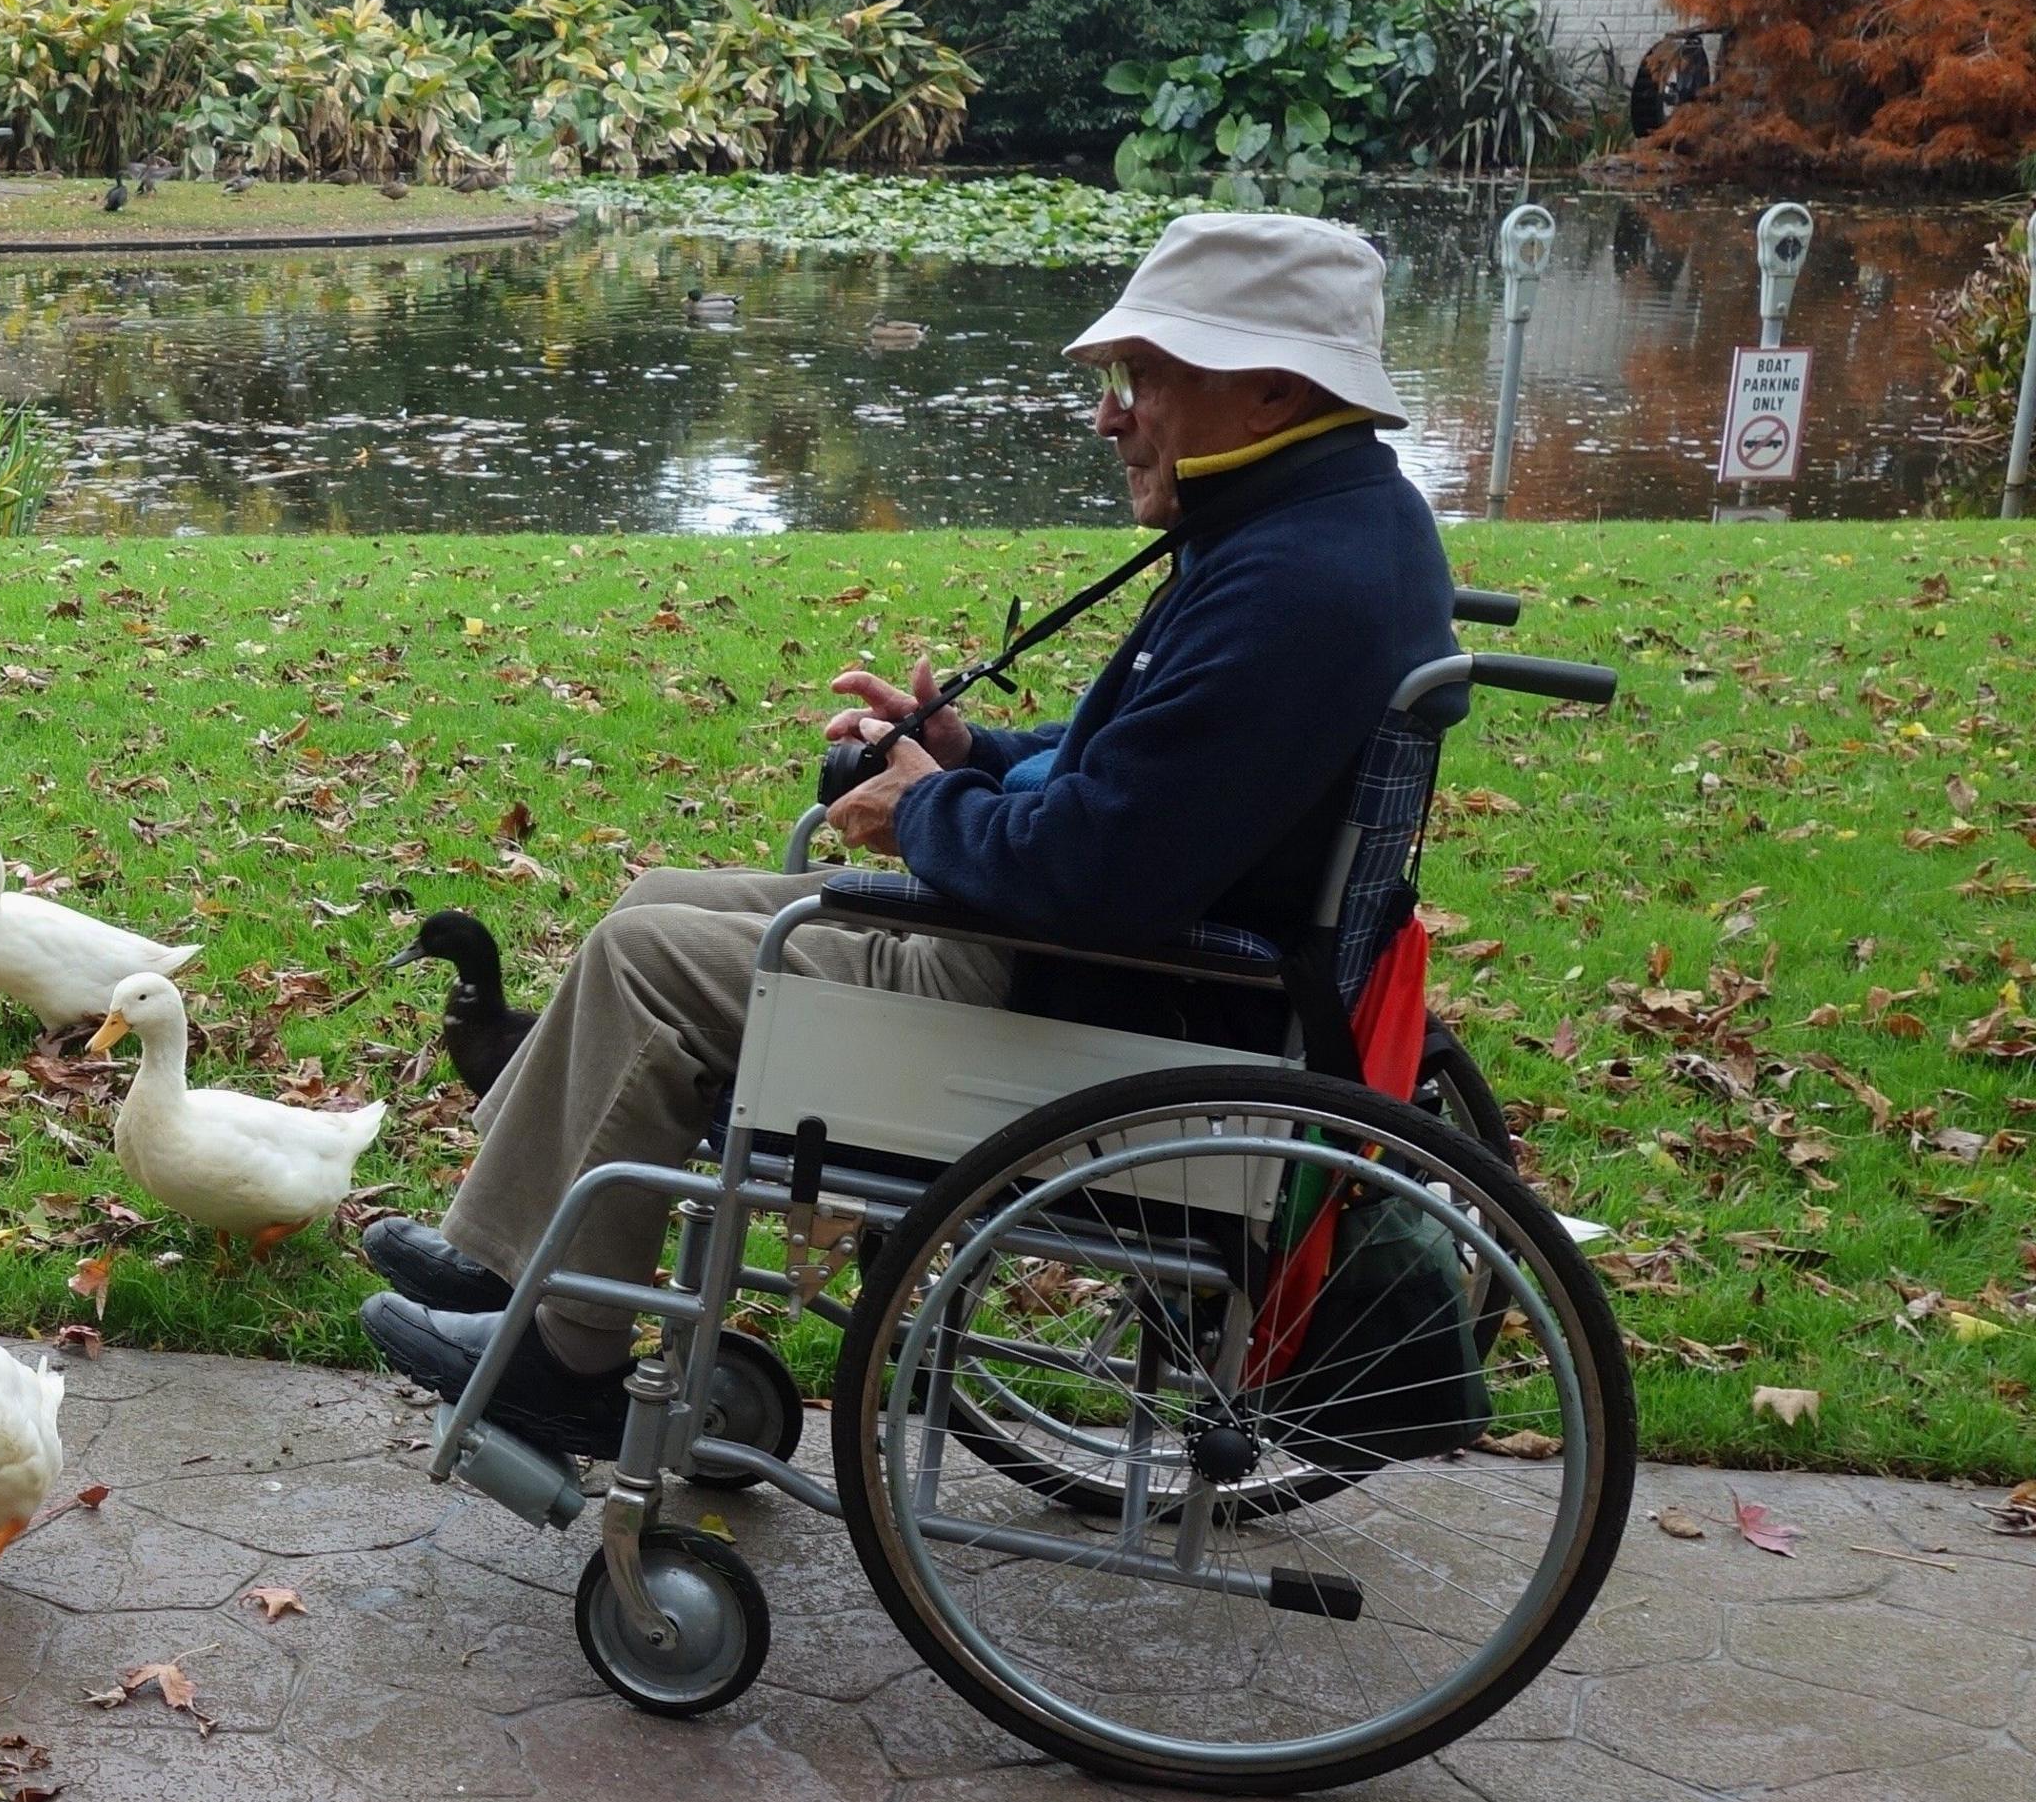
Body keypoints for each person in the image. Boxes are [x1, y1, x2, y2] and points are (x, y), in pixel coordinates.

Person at [359, 209, 1457, 1458]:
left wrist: (922, 806)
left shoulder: (1289, 583)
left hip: (1093, 1000)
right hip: (1132, 974)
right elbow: (1150, 767)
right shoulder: (1332, 528)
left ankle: (557, 1360)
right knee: (650, 896)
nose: (1111, 416)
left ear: (1269, 391)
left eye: (1144, 378)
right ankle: (508, 1265)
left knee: (646, 963)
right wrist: (974, 752)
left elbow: (1095, 868)